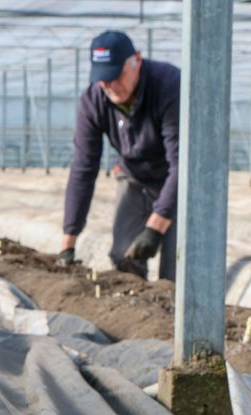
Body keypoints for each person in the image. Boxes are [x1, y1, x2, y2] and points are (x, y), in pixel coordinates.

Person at [59, 31, 179, 281]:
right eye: (103, 79)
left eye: (116, 76)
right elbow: (83, 168)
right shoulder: (94, 99)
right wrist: (68, 242)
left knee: (178, 265)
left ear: (136, 60)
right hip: (135, 178)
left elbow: (183, 165)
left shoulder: (169, 85)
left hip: (179, 179)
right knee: (125, 256)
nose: (111, 86)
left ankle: (177, 315)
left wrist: (156, 226)